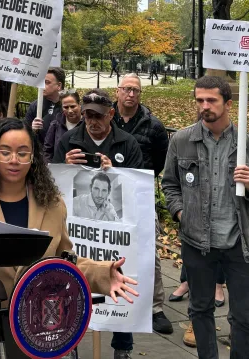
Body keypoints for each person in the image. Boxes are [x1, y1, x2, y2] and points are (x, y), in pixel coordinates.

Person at [0, 117, 138, 359]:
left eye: (23, 153)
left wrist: (102, 273)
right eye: (5, 152)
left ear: (33, 157)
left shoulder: (52, 203)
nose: (14, 160)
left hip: (38, 328)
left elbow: (63, 261)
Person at [161, 75, 249, 359]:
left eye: (211, 100)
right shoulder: (182, 140)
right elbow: (170, 184)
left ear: (228, 103)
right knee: (200, 310)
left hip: (240, 244)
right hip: (197, 242)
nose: (204, 106)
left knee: (246, 317)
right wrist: (181, 213)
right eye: (199, 100)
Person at [53, 88, 144, 359]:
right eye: (87, 115)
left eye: (99, 116)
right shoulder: (68, 141)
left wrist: (116, 173)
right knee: (73, 286)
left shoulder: (127, 143)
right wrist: (63, 164)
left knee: (119, 284)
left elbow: (138, 187)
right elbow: (51, 183)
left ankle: (122, 348)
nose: (92, 121)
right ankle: (70, 344)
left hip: (113, 237)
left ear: (111, 114)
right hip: (78, 235)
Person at [112, 74, 173, 334]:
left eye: (136, 90)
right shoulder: (105, 118)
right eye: (127, 89)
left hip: (141, 195)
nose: (131, 94)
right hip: (109, 194)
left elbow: (160, 161)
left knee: (148, 251)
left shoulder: (154, 126)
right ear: (117, 91)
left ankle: (155, 306)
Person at [24, 67, 66, 146]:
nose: (42, 86)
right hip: (40, 151)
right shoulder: (35, 105)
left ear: (59, 86)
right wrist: (32, 129)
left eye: (47, 82)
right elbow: (24, 132)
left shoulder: (67, 106)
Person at [43, 89, 81, 161]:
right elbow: (47, 151)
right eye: (66, 107)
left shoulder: (87, 125)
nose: (70, 111)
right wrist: (50, 169)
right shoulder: (55, 125)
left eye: (73, 106)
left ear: (79, 105)